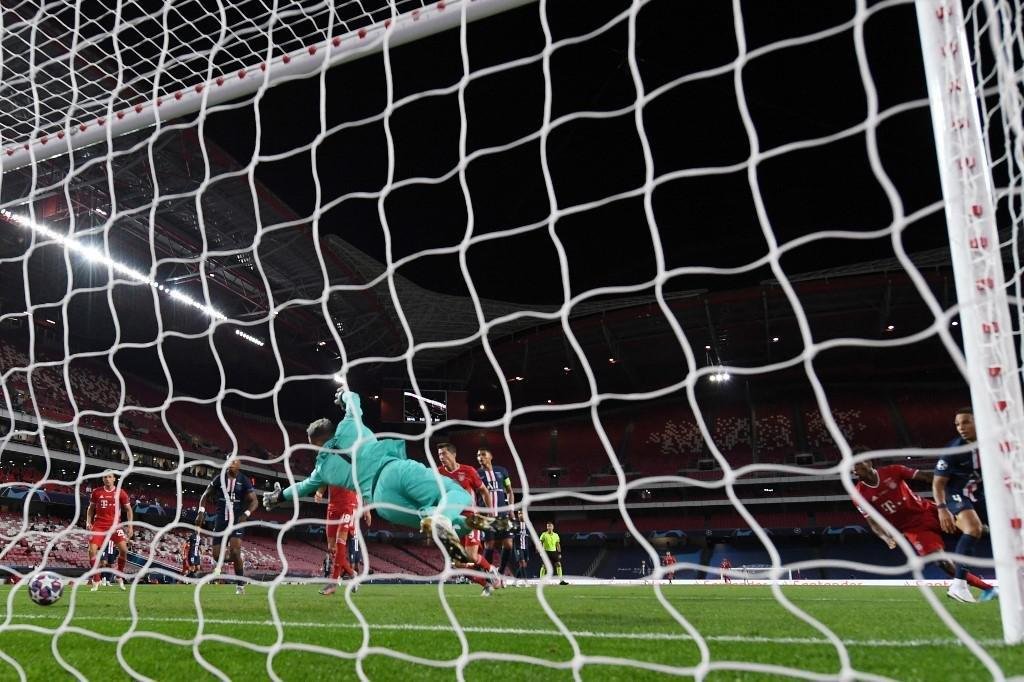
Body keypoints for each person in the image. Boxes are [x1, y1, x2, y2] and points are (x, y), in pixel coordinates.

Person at [263, 388, 506, 565]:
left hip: (381, 501)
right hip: (395, 470)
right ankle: (453, 518)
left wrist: (276, 497)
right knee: (456, 493)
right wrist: (342, 396)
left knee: (430, 518)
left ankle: (460, 522)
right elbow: (354, 398)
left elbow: (302, 488)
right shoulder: (349, 425)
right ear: (330, 431)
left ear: (315, 444)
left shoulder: (321, 469)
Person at [853, 456, 995, 602]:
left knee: (978, 529)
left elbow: (926, 476)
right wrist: (886, 538)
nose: (854, 470)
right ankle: (988, 588)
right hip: (914, 529)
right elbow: (872, 522)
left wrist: (950, 488)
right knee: (941, 562)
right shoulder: (858, 494)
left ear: (869, 463)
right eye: (851, 468)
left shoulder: (893, 470)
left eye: (856, 464)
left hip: (930, 512)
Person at [933, 407, 992, 603]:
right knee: (973, 529)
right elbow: (938, 483)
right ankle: (958, 585)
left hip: (982, 495)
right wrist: (942, 509)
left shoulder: (992, 442)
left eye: (966, 422)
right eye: (958, 424)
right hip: (956, 494)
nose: (961, 427)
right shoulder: (954, 450)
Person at [437, 442, 501, 596]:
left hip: (470, 518)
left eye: (444, 453)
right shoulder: (438, 473)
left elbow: (484, 492)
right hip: (451, 518)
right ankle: (486, 584)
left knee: (471, 555)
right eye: (439, 454)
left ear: (453, 454)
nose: (441, 457)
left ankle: (492, 570)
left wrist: (490, 512)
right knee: (457, 563)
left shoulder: (469, 471)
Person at [197, 457, 258, 595]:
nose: (231, 464)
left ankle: (240, 585)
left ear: (239, 465)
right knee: (217, 556)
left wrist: (246, 514)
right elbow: (205, 495)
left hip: (237, 520)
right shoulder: (220, 479)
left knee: (235, 551)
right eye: (229, 462)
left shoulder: (244, 480)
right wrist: (201, 511)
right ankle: (238, 561)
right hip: (220, 521)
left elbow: (254, 501)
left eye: (234, 462)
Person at [316, 484, 372, 596]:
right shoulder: (329, 466)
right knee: (332, 549)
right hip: (332, 506)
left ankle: (333, 584)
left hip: (349, 506)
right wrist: (319, 492)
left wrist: (367, 510)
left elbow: (363, 485)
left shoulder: (354, 466)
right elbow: (324, 478)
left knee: (340, 542)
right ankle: (352, 574)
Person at [85, 471, 133, 592]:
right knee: (92, 550)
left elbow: (128, 510)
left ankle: (119, 576)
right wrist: (88, 521)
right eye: (105, 477)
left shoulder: (120, 493)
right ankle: (96, 579)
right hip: (99, 525)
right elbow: (91, 509)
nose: (107, 479)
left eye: (109, 477)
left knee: (123, 550)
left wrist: (130, 526)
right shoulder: (96, 492)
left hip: (115, 526)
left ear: (114, 479)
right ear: (102, 479)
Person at [476, 448, 516, 579]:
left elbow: (509, 491)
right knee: (490, 545)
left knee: (509, 544)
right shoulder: (477, 474)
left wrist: (511, 509)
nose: (480, 457)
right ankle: (487, 576)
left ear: (490, 456)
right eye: (478, 455)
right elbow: (473, 495)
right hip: (486, 515)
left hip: (503, 514)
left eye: (483, 455)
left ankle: (501, 572)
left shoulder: (502, 471)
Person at [512, 510, 531, 587]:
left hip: (525, 547)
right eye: (519, 513)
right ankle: (526, 582)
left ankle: (515, 581)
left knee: (524, 565)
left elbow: (529, 536)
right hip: (518, 547)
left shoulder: (528, 525)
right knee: (522, 563)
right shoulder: (515, 524)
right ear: (518, 515)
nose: (521, 515)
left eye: (522, 513)